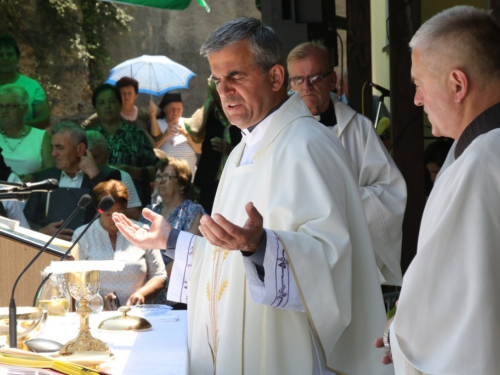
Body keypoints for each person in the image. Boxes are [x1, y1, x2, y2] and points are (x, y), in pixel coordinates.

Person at [113, 17, 389, 375]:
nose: (223, 90)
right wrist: (172, 240)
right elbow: (227, 261)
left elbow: (333, 263)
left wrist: (261, 248)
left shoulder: (308, 145)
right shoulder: (244, 149)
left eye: (236, 76)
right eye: (217, 78)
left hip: (286, 352)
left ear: (275, 78)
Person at [373, 6, 500, 374]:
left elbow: (463, 308)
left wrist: (402, 339)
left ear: (458, 85)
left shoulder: (482, 163)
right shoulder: (474, 151)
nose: (416, 100)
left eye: (419, 85)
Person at [287, 41, 407, 286]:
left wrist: (341, 202)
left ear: (332, 80)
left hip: (351, 253)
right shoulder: (281, 133)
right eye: (298, 79)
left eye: (315, 77)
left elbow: (390, 193)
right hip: (302, 252)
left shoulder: (358, 128)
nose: (306, 86)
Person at [72, 180, 166, 307]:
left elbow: (159, 275)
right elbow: (74, 281)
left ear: (126, 208)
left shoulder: (142, 232)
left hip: (137, 315)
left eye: (119, 213)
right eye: (108, 214)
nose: (114, 220)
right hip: (95, 315)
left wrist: (141, 294)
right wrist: (98, 300)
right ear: (97, 210)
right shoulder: (82, 235)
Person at [23, 122, 120, 240]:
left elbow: (112, 213)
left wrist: (94, 175)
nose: (53, 154)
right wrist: (41, 231)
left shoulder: (107, 176)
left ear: (80, 149)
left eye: (60, 147)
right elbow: (27, 219)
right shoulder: (43, 177)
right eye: (52, 147)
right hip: (48, 248)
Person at [90, 83, 158, 206]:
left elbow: (156, 170)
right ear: (95, 108)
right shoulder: (89, 137)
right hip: (97, 203)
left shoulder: (136, 135)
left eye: (112, 101)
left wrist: (132, 171)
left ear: (120, 104)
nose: (107, 106)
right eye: (102, 103)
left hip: (132, 203)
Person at [190, 78, 242, 214]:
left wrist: (229, 149)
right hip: (210, 183)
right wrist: (208, 102)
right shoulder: (209, 113)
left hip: (235, 182)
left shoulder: (241, 112)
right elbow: (194, 131)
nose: (221, 98)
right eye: (216, 93)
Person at [82, 77, 157, 146]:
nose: (126, 97)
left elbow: (156, 136)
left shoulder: (144, 115)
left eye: (129, 93)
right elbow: (83, 128)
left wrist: (153, 115)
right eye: (123, 93)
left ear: (136, 95)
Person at [86, 130, 142, 220]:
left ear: (107, 153)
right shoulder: (74, 176)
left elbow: (136, 216)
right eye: (87, 157)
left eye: (96, 157)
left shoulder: (123, 176)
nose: (92, 162)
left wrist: (116, 210)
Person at [0, 84, 53, 175]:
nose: (4, 111)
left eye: (10, 106)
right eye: (0, 106)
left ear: (24, 109)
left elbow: (52, 168)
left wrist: (33, 177)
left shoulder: (41, 136)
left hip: (32, 187)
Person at [0, 34, 50, 129]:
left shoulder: (32, 86)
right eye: (0, 55)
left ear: (18, 58)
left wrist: (16, 127)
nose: (5, 59)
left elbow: (44, 120)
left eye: (10, 54)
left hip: (25, 140)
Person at [150, 93, 201, 179]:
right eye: (172, 109)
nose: (176, 112)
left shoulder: (188, 123)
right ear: (165, 109)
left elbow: (199, 150)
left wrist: (186, 134)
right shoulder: (158, 124)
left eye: (179, 109)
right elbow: (152, 150)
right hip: (166, 177)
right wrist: (166, 135)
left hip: (189, 177)